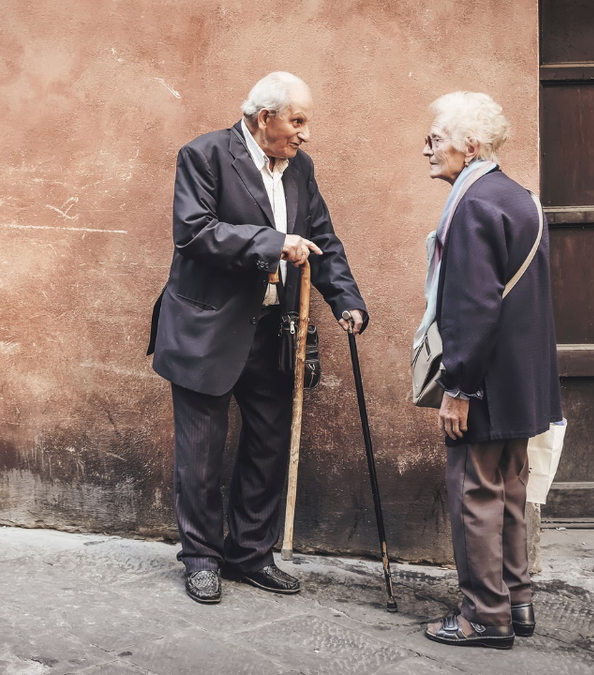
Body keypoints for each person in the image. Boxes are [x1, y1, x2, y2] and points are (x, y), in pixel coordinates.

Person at [147, 72, 368, 604]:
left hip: (273, 331)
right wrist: (273, 242)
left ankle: (250, 553)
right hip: (207, 330)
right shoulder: (203, 155)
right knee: (199, 456)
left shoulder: (301, 169)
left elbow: (322, 239)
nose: (305, 134)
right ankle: (201, 557)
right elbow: (195, 232)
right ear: (264, 117)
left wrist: (347, 300)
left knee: (268, 448)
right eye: (298, 121)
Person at [418, 92, 562, 649]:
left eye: (436, 139)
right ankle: (517, 601)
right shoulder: (520, 196)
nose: (426, 148)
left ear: (470, 146)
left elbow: (473, 306)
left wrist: (459, 387)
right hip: (520, 382)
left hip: (484, 383)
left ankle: (484, 615)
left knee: (475, 493)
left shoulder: (472, 203)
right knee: (508, 491)